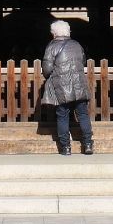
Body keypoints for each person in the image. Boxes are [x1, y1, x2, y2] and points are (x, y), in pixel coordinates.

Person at [40, 19, 93, 155]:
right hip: (79, 84)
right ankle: (88, 145)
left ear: (54, 33)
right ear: (68, 31)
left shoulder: (51, 46)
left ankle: (66, 147)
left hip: (61, 86)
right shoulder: (77, 45)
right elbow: (83, 61)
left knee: (62, 116)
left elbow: (46, 69)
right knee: (83, 115)